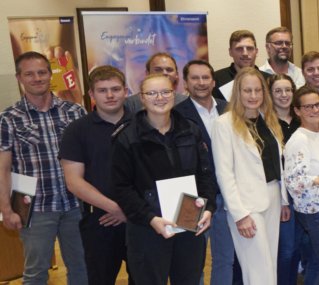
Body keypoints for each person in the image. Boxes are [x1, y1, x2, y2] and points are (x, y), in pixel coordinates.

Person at [0, 52, 89, 285]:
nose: (37, 78)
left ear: (50, 74)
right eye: (29, 74)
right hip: (33, 208)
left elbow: (90, 159)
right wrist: (7, 210)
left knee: (82, 267)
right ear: (19, 78)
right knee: (36, 272)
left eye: (42, 72)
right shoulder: (6, 119)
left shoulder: (75, 112)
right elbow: (1, 170)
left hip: (76, 204)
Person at [110, 73, 217, 285]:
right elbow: (121, 188)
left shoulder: (190, 130)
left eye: (165, 92)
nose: (160, 98)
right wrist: (151, 219)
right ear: (141, 97)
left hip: (189, 224)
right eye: (152, 93)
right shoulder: (127, 137)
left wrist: (208, 208)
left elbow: (205, 174)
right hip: (147, 228)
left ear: (174, 94)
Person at [211, 68, 289, 285]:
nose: (253, 95)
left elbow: (277, 164)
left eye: (258, 90)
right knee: (257, 270)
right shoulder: (223, 124)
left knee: (269, 264)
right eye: (247, 90)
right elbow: (224, 174)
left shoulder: (268, 120)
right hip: (246, 204)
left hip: (273, 197)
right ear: (238, 92)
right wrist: (240, 215)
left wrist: (283, 200)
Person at [60, 65, 131, 285]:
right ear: (91, 94)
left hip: (139, 219)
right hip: (99, 220)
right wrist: (116, 209)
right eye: (102, 90)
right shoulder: (77, 130)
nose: (110, 95)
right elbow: (73, 181)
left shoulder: (143, 123)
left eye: (115, 89)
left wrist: (130, 211)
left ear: (126, 91)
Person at [172, 60, 239, 285]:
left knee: (225, 259)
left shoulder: (230, 109)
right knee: (191, 262)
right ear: (185, 83)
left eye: (205, 77)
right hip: (191, 198)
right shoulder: (175, 114)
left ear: (213, 81)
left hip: (227, 195)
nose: (201, 82)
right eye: (195, 78)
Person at [283, 85, 319, 285]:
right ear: (297, 111)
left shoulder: (318, 133)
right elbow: (292, 180)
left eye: (317, 104)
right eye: (308, 107)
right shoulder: (299, 139)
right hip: (315, 211)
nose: (315, 109)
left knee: (317, 263)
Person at [267, 73, 302, 285]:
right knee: (286, 249)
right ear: (270, 94)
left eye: (288, 90)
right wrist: (282, 200)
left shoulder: (301, 120)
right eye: (278, 91)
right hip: (282, 195)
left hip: (303, 193)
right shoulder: (266, 124)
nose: (284, 95)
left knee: (297, 247)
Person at [214, 30, 273, 100]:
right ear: (230, 52)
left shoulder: (269, 80)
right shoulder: (216, 79)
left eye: (249, 48)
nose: (245, 53)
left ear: (256, 52)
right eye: (239, 49)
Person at [124, 52, 190, 113]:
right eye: (158, 70)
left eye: (169, 70)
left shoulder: (187, 102)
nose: (164, 73)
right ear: (148, 73)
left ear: (176, 74)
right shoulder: (130, 103)